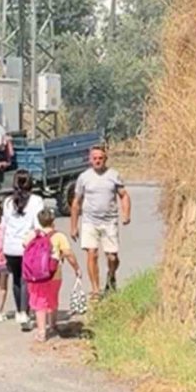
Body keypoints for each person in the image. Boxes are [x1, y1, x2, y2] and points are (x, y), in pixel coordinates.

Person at [70, 146, 132, 300]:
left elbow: (124, 195)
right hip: (90, 221)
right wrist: (73, 226)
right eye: (95, 158)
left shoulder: (113, 175)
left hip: (109, 221)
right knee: (92, 254)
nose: (97, 161)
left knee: (112, 257)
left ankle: (111, 276)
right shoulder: (84, 177)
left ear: (105, 159)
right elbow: (76, 202)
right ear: (90, 160)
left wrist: (126, 214)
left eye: (100, 158)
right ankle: (96, 290)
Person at [25, 208, 81, 343]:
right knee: (52, 298)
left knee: (39, 303)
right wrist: (76, 268)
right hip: (54, 274)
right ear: (53, 221)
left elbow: (25, 248)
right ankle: (53, 324)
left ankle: (41, 332)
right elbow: (68, 254)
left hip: (36, 275)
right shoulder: (59, 236)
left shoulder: (32, 235)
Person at [2, 169, 44, 330]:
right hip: (27, 246)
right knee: (26, 279)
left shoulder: (7, 202)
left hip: (10, 247)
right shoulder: (36, 201)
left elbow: (5, 225)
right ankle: (25, 312)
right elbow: (38, 225)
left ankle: (20, 311)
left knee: (16, 279)